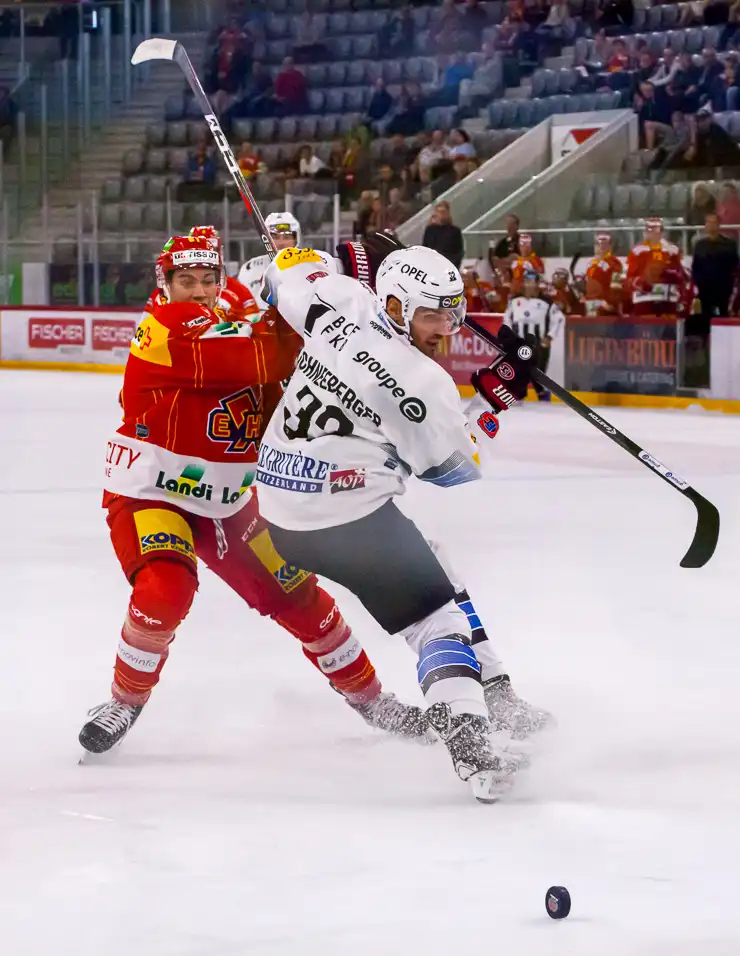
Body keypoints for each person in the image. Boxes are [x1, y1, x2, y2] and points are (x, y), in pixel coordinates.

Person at [79, 234, 429, 753]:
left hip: (230, 500)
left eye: (207, 280)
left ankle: (372, 699)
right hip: (153, 493)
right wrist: (306, 299)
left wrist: (330, 301)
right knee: (165, 589)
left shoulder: (238, 313)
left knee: (299, 597)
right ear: (165, 285)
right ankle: (125, 701)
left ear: (221, 280)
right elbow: (260, 355)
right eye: (185, 281)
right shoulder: (164, 326)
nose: (197, 291)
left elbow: (306, 365)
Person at [256, 240, 549, 801]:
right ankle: (472, 747)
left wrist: (355, 256)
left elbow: (286, 270)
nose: (446, 327)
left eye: (452, 311)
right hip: (347, 522)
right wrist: (493, 400)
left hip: (280, 512)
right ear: (394, 306)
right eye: (432, 314)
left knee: (435, 561)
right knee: (438, 623)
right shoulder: (424, 383)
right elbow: (452, 473)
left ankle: (498, 691)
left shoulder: (337, 304)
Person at [503, 267, 565, 402]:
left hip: (539, 345)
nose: (529, 284)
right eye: (527, 281)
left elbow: (559, 319)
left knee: (535, 372)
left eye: (532, 281)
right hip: (519, 343)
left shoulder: (547, 302)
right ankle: (527, 395)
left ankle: (540, 394)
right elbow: (507, 318)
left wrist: (549, 337)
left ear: (537, 283)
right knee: (521, 371)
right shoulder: (514, 301)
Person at [237, 211, 302, 314]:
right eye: (275, 237)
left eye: (287, 237)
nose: (281, 243)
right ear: (265, 239)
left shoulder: (309, 266)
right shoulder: (250, 268)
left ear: (296, 239)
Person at [626, 218, 689, 316]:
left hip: (668, 299)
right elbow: (630, 278)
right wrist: (640, 283)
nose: (651, 233)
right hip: (644, 299)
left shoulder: (673, 250)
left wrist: (673, 276)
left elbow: (682, 277)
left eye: (655, 230)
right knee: (645, 329)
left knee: (668, 329)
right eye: (649, 229)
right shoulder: (637, 251)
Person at [583, 232, 624, 315]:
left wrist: (612, 303)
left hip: (605, 306)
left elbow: (616, 287)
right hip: (590, 305)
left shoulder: (614, 263)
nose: (601, 246)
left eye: (604, 243)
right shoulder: (591, 263)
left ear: (610, 246)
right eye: (598, 243)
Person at [421, 201, 464, 268]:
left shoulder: (455, 231)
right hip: (431, 266)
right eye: (438, 212)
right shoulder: (430, 230)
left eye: (443, 212)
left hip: (447, 267)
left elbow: (458, 252)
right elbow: (424, 248)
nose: (441, 214)